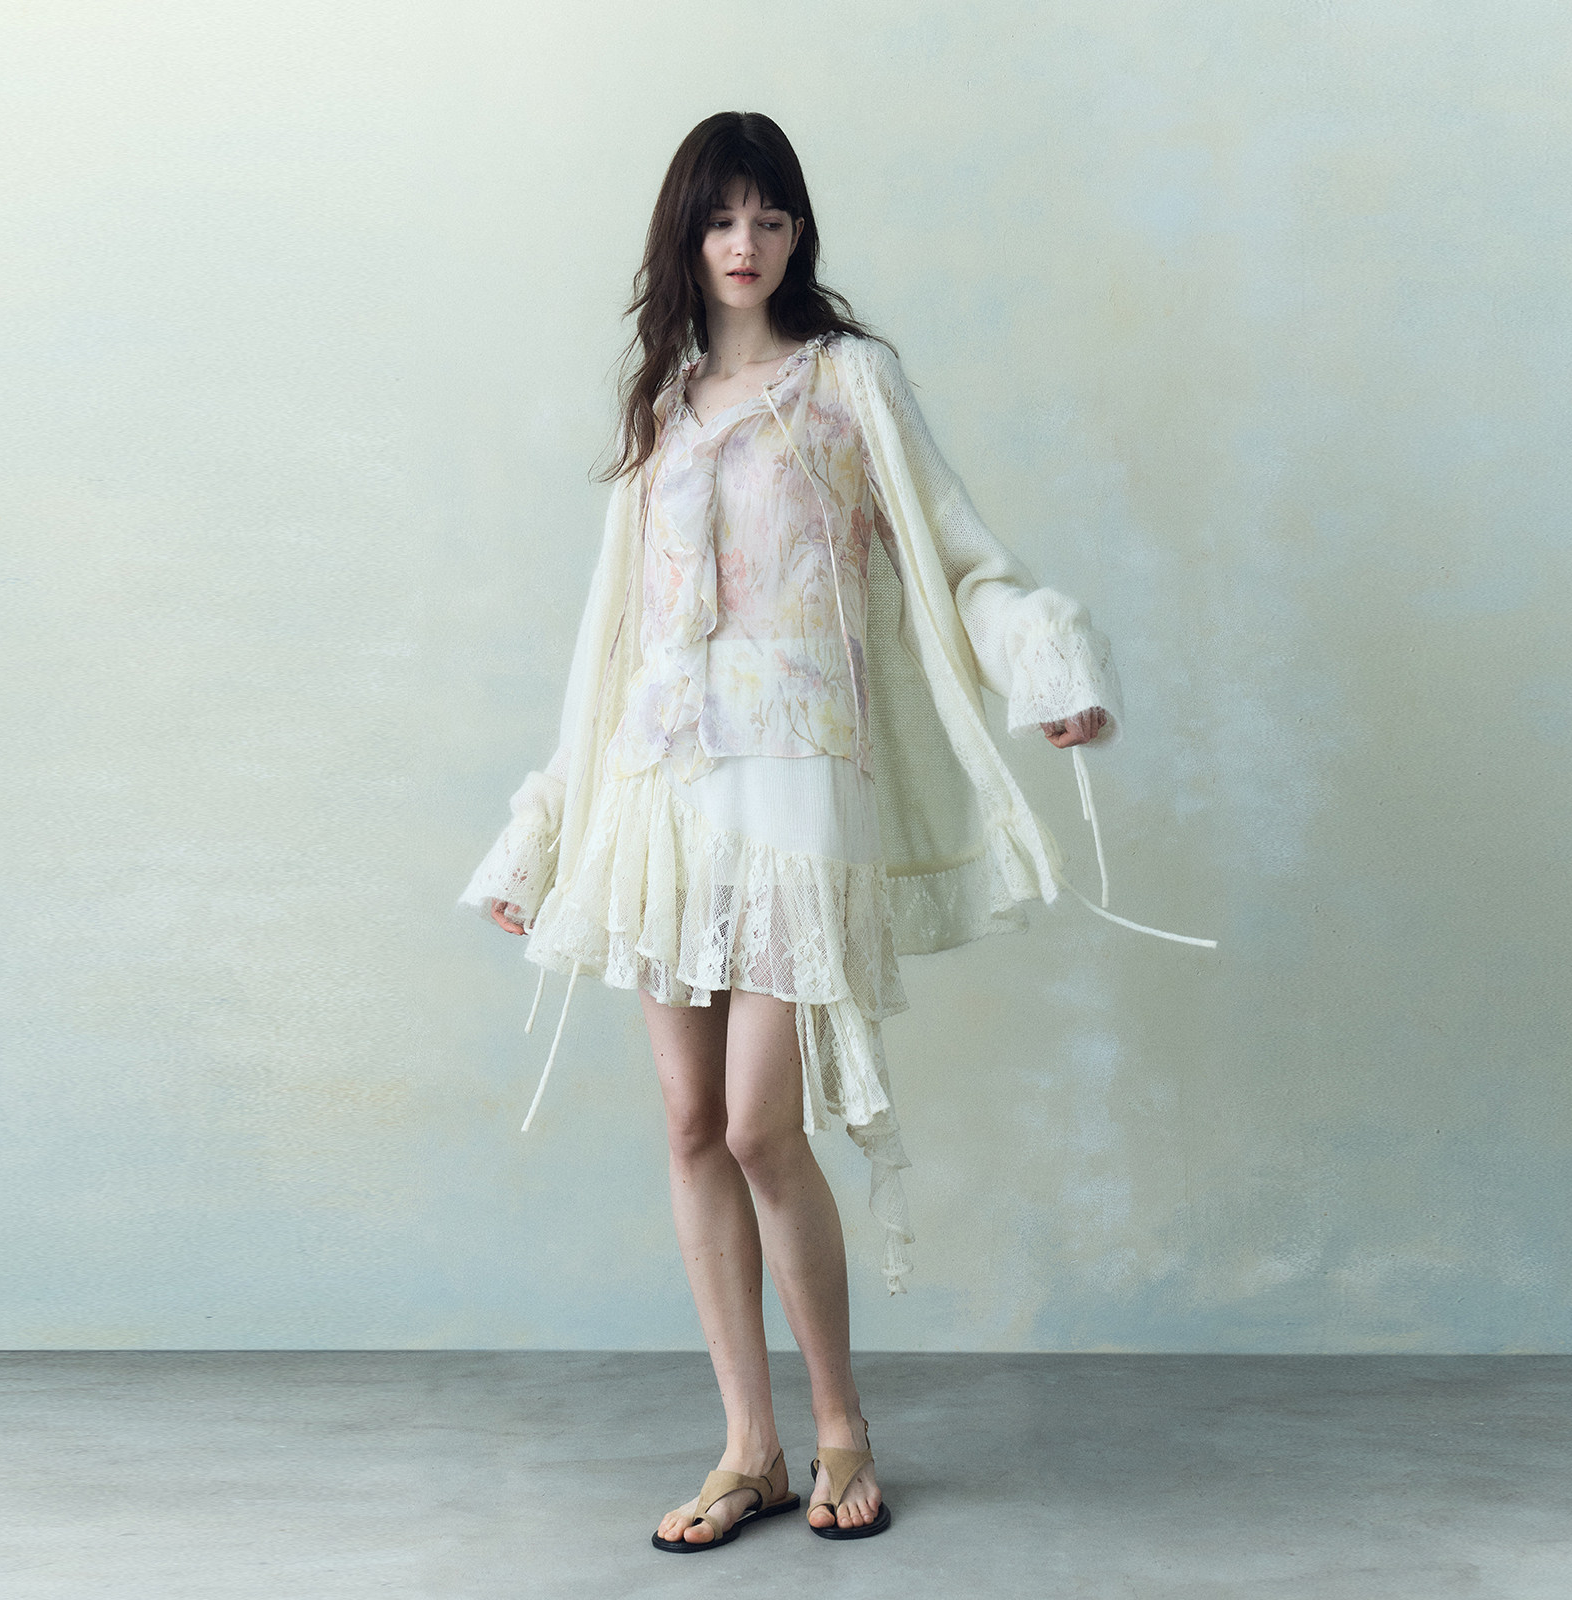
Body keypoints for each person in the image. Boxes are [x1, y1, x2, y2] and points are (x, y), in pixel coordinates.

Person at [458, 111, 1211, 1552]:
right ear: (685, 237)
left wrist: (1047, 668)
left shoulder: (850, 382)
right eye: (721, 218)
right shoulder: (661, 409)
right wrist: (547, 834)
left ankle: (843, 1426)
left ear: (800, 232)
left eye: (771, 217)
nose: (745, 243)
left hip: (797, 787)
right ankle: (748, 1445)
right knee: (690, 1124)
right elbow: (608, 650)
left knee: (762, 1124)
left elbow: (961, 557)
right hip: (665, 799)